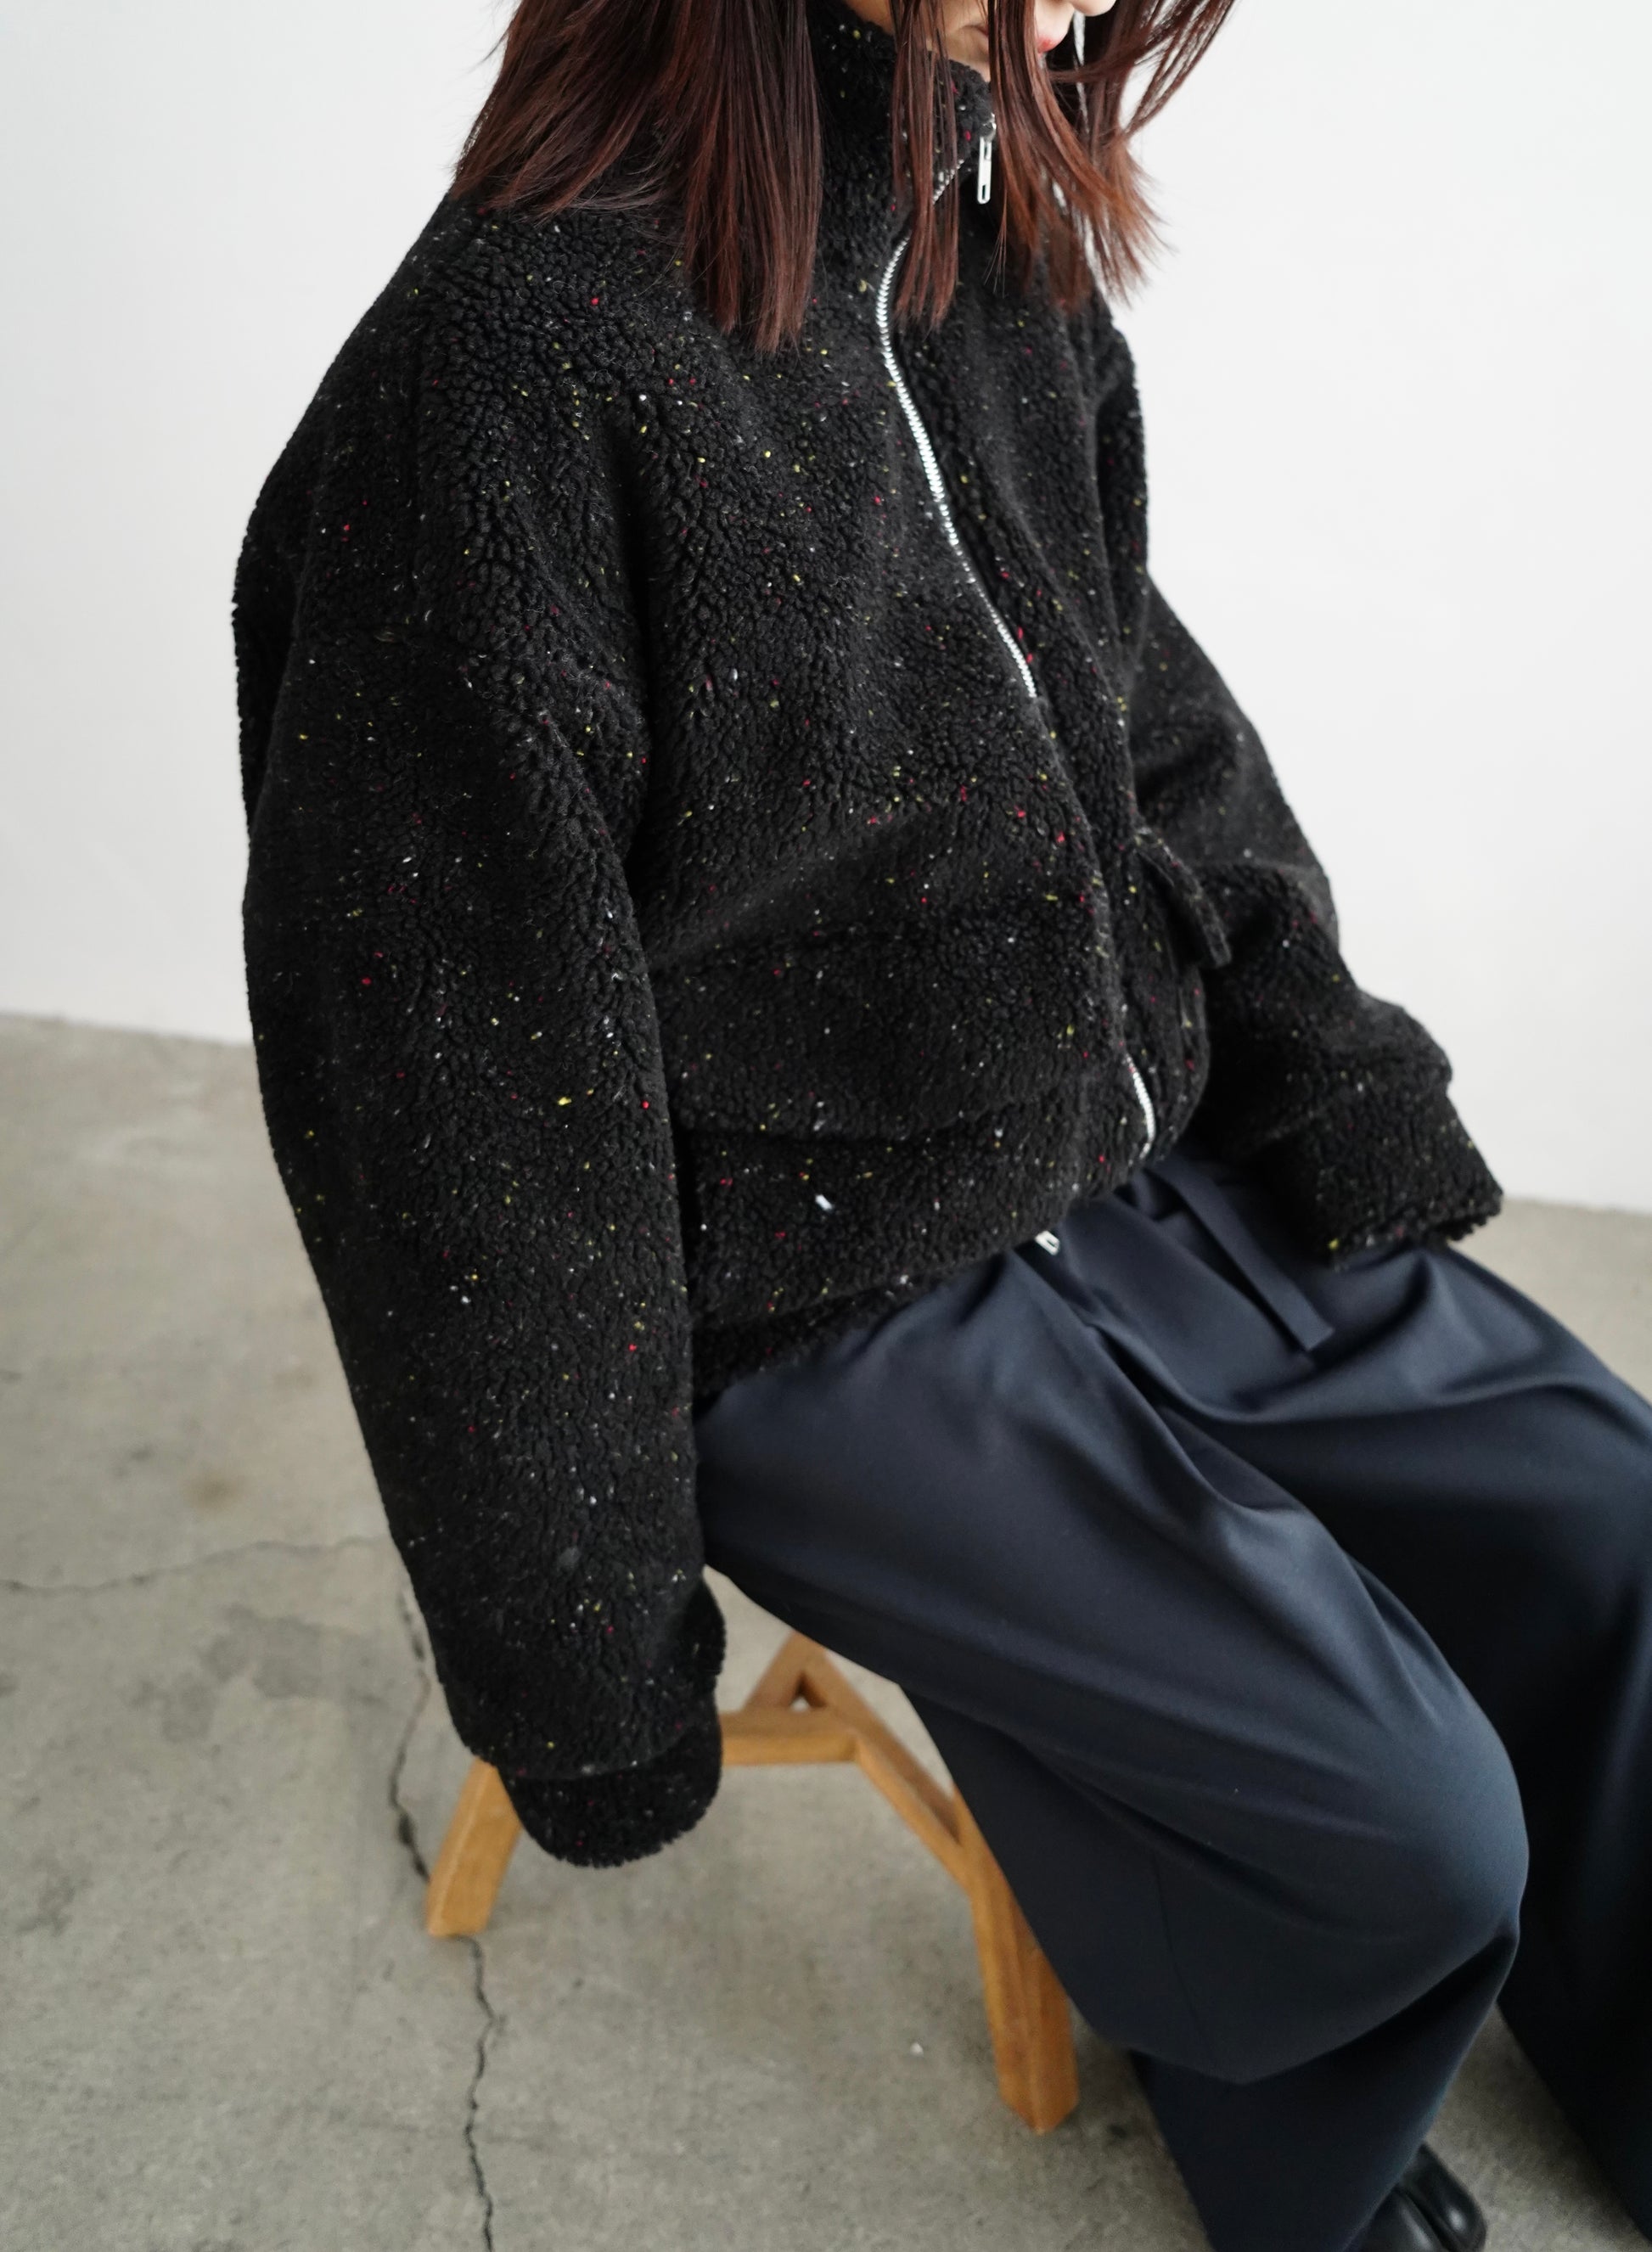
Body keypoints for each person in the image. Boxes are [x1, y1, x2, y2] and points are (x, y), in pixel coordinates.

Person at [232, 0, 1652, 2245]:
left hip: (1108, 1146)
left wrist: (1325, 1068)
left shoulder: (977, 232)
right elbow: (455, 1111)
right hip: (803, 1300)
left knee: (1606, 1514)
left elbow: (1143, 710)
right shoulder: (497, 378)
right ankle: (1294, 2153)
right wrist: (580, 1657)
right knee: (1401, 1822)